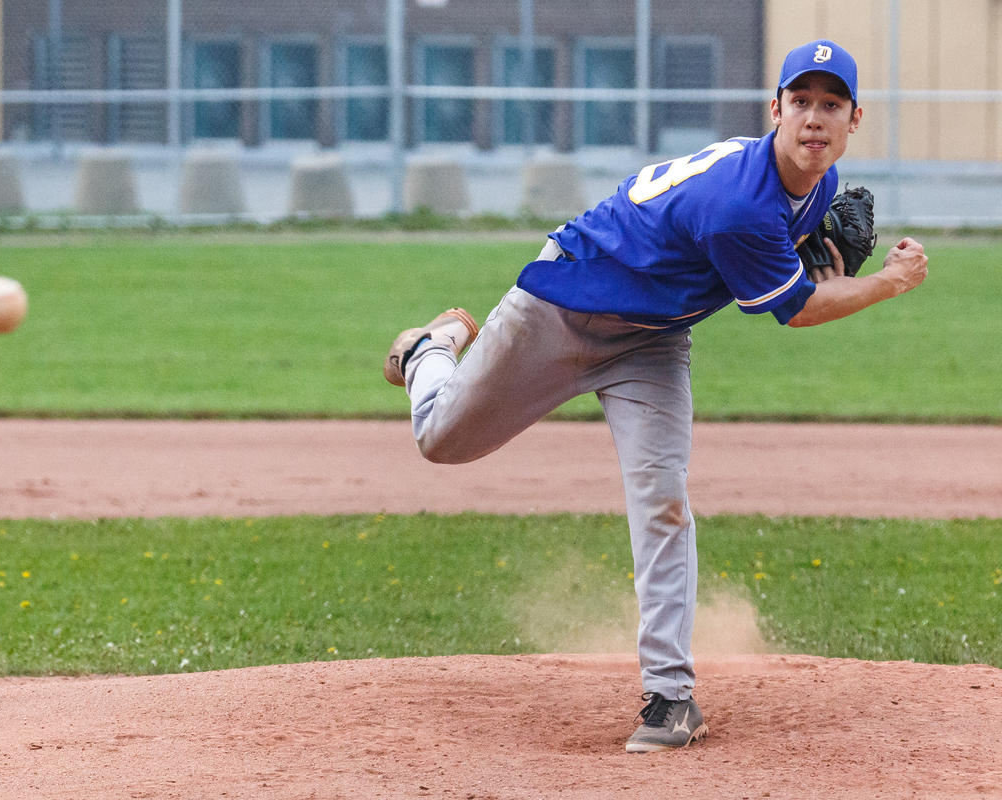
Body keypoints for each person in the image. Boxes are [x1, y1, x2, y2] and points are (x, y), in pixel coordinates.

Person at [382, 39, 928, 753]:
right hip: (559, 306)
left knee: (663, 500)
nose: (814, 119)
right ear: (775, 110)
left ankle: (671, 699)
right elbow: (796, 309)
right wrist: (886, 282)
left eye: (831, 105)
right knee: (440, 441)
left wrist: (816, 265)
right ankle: (433, 348)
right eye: (801, 103)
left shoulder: (818, 187)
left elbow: (792, 276)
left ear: (855, 119)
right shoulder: (741, 202)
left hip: (652, 342)